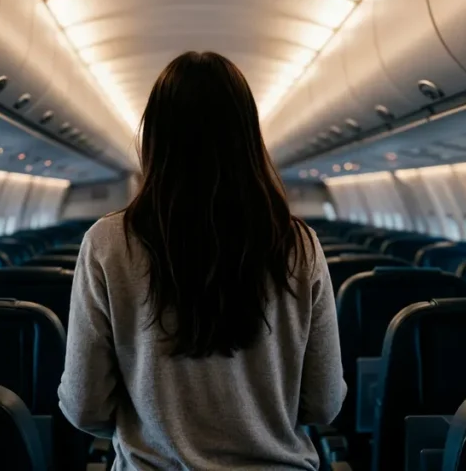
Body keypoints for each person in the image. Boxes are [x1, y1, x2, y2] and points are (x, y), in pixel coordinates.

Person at [59, 51, 346, 470]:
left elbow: (85, 406)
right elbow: (323, 404)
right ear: (249, 136)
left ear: (154, 139)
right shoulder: (299, 244)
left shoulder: (107, 243)